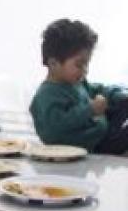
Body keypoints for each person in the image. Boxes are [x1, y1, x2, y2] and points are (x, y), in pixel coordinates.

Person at [29, 18, 128, 154]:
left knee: (123, 102)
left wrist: (116, 95)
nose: (85, 70)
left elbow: (99, 89)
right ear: (53, 63)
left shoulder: (77, 82)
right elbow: (54, 130)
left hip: (101, 132)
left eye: (87, 64)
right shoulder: (46, 95)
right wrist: (90, 110)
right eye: (79, 64)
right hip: (90, 145)